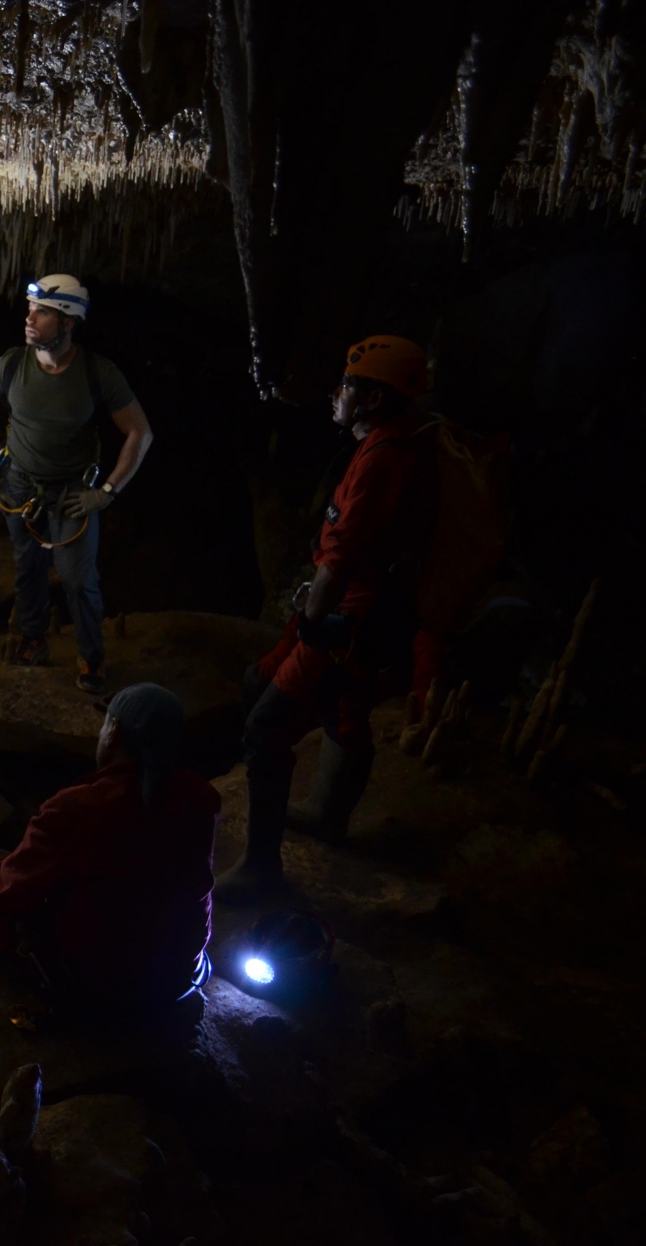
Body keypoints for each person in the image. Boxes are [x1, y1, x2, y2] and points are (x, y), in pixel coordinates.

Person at [217, 336, 438, 902]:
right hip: (384, 616)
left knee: (266, 727)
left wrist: (310, 625)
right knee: (345, 708)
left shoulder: (383, 459)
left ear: (371, 398)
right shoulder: (402, 445)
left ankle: (260, 867)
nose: (336, 394)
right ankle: (325, 815)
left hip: (352, 620)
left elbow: (341, 557)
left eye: (347, 384)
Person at [0, 683, 221, 1016]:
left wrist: (6, 863)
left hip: (101, 987)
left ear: (112, 733)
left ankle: (38, 981)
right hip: (177, 976)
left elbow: (7, 892)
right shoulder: (201, 798)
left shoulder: (78, 807)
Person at [0, 275, 153, 694]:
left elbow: (140, 432)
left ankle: (92, 656)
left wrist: (107, 492)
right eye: (29, 309)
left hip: (71, 491)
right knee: (26, 568)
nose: (29, 319)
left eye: (42, 312)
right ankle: (32, 639)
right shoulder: (11, 365)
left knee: (76, 576)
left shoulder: (98, 373)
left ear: (68, 322)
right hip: (19, 485)